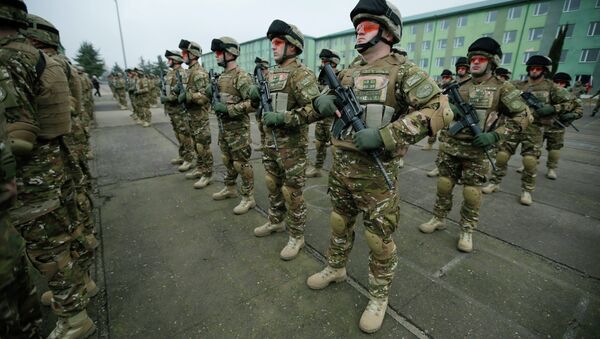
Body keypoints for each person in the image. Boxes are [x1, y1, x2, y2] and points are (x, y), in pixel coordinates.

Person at [306, 0, 449, 332]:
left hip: (377, 175)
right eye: (357, 25)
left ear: (387, 31)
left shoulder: (405, 71)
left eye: (367, 24)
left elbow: (440, 111)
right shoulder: (347, 71)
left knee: (378, 239)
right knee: (339, 222)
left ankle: (379, 296)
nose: (359, 29)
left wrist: (387, 135)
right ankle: (335, 268)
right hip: (341, 167)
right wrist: (319, 101)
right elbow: (319, 104)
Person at [2, 1, 96, 336]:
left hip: (34, 175)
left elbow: (20, 136)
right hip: (56, 163)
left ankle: (74, 316)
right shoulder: (46, 61)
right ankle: (79, 286)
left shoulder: (11, 60)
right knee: (66, 236)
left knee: (48, 249)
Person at [419, 37, 531, 250]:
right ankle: (438, 218)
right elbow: (438, 109)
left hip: (478, 150)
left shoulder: (502, 88)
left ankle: (467, 229)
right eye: (473, 59)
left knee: (472, 192)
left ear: (492, 62)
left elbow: (525, 117)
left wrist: (496, 135)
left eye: (481, 59)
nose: (475, 63)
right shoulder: (459, 86)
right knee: (444, 184)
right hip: (451, 145)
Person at [25, 13, 100, 310]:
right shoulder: (54, 65)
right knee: (67, 223)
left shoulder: (46, 66)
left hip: (45, 161)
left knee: (52, 235)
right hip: (58, 154)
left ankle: (72, 300)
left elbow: (70, 110)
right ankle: (78, 282)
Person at [250, 19, 320, 260]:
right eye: (272, 42)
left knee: (292, 191)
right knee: (271, 182)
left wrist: (283, 118)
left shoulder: (302, 74)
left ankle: (297, 235)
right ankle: (275, 220)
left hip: (291, 147)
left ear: (292, 47)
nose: (273, 46)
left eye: (278, 42)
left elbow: (315, 110)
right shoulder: (272, 74)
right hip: (270, 143)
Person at [482, 55, 579, 202]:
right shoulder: (517, 85)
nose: (534, 71)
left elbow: (573, 103)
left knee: (529, 161)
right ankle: (495, 183)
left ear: (544, 71)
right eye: (532, 68)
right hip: (513, 127)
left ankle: (527, 190)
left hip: (534, 129)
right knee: (501, 156)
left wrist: (553, 108)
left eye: (538, 68)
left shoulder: (552, 87)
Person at [208, 37, 256, 214]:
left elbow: (254, 103)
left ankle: (248, 197)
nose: (216, 56)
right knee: (227, 160)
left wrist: (230, 109)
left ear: (230, 53)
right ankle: (230, 187)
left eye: (219, 53)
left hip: (238, 131)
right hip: (224, 129)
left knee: (241, 164)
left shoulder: (241, 77)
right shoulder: (221, 77)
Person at [179, 39, 214, 188]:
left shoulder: (199, 74)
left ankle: (207, 174)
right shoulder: (189, 73)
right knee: (195, 144)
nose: (182, 55)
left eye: (185, 53)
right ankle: (200, 168)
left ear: (193, 54)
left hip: (200, 117)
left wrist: (188, 96)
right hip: (191, 116)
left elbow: (205, 97)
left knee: (203, 146)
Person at [305, 48, 341, 178]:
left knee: (336, 147)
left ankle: (338, 172)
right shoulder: (321, 78)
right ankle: (318, 168)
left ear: (334, 63)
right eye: (322, 61)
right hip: (321, 118)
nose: (322, 63)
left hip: (334, 119)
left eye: (325, 61)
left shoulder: (340, 76)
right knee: (319, 143)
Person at [161, 49, 195, 172]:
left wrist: (168, 98)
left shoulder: (182, 73)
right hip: (172, 110)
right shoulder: (169, 74)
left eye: (170, 59)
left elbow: (183, 93)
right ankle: (182, 155)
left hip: (180, 110)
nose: (168, 61)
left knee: (184, 135)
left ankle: (189, 159)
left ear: (176, 60)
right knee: (178, 134)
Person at [423, 69, 453, 152]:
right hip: (438, 110)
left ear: (450, 78)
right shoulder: (440, 86)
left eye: (447, 77)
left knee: (446, 132)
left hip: (449, 112)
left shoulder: (453, 87)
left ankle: (444, 147)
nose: (444, 79)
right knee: (433, 127)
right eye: (443, 77)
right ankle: (430, 144)